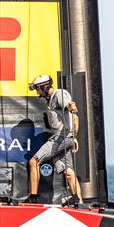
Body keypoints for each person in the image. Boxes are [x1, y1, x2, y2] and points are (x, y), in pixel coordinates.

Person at [26, 74, 82, 205]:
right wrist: (73, 137)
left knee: (34, 162)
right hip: (64, 137)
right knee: (67, 171)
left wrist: (74, 136)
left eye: (38, 89)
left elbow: (73, 113)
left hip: (61, 137)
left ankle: (33, 198)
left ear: (44, 87)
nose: (38, 93)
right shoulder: (52, 99)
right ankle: (77, 200)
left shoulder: (59, 94)